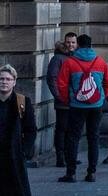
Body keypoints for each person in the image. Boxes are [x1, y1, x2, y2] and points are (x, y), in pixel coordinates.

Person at [55, 33, 108, 184]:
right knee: (93, 138)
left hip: (77, 106)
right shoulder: (100, 62)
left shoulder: (70, 62)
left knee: (73, 138)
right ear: (91, 45)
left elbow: (61, 84)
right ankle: (91, 172)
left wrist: (69, 99)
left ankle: (71, 173)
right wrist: (101, 98)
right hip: (96, 106)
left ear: (78, 45)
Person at [0, 63, 37, 196]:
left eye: (8, 79)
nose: (4, 82)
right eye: (1, 79)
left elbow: (31, 129)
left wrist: (24, 152)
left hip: (14, 155)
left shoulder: (22, 101)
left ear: (14, 82)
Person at [45, 33, 76, 168]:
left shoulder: (76, 57)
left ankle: (70, 156)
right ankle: (60, 157)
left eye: (73, 42)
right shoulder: (57, 58)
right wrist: (59, 97)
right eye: (68, 42)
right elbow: (52, 79)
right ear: (64, 43)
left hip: (76, 101)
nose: (70, 45)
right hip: (63, 101)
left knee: (72, 130)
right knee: (62, 129)